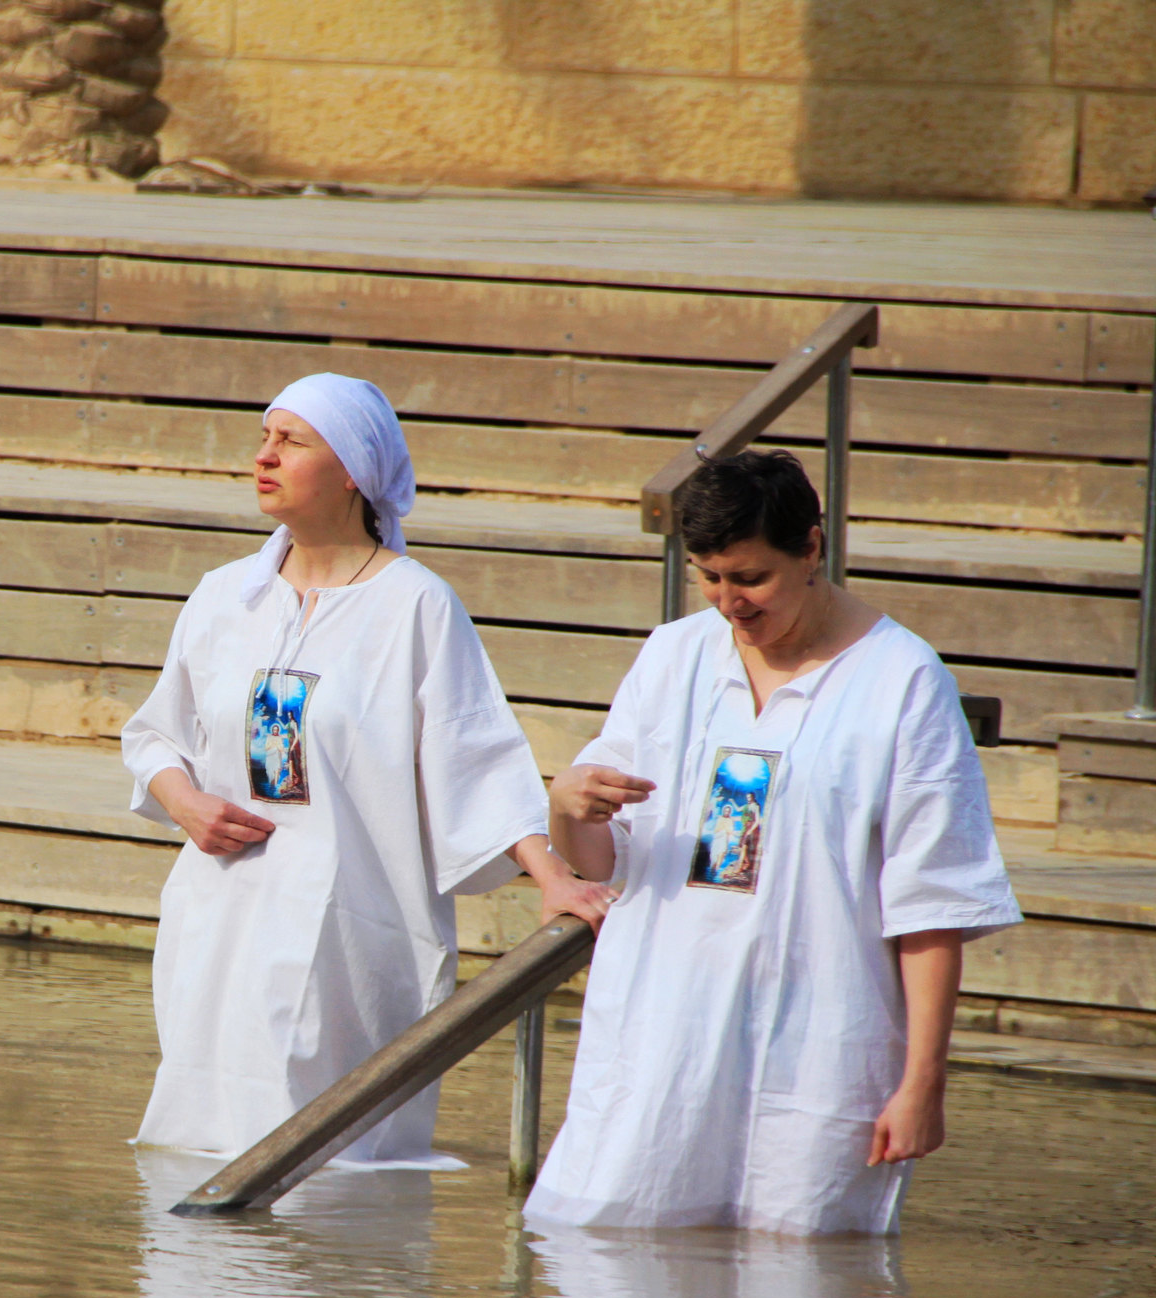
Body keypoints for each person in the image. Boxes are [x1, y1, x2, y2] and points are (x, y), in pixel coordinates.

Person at [122, 373, 611, 1167]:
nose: (264, 456)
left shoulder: (414, 606)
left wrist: (550, 877)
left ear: (351, 468)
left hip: (349, 937)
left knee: (329, 1171)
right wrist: (186, 804)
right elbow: (153, 736)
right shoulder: (225, 598)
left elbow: (475, 752)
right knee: (196, 1154)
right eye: (264, 436)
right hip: (222, 927)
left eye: (291, 441)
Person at [525, 449, 1018, 1236]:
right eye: (709, 576)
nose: (730, 603)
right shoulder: (674, 656)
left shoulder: (902, 680)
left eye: (750, 577)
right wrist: (567, 809)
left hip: (817, 1049)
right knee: (609, 1266)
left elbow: (932, 902)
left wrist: (924, 1083)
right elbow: (609, 860)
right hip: (662, 1037)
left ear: (812, 547)